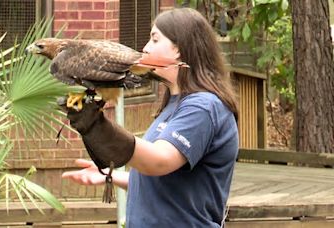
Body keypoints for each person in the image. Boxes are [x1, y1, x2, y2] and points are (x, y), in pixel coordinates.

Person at [61, 8, 239, 228]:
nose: (145, 48)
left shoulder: (202, 107)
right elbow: (167, 182)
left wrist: (99, 127)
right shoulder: (175, 104)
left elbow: (160, 161)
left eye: (155, 39)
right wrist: (113, 176)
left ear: (179, 49)